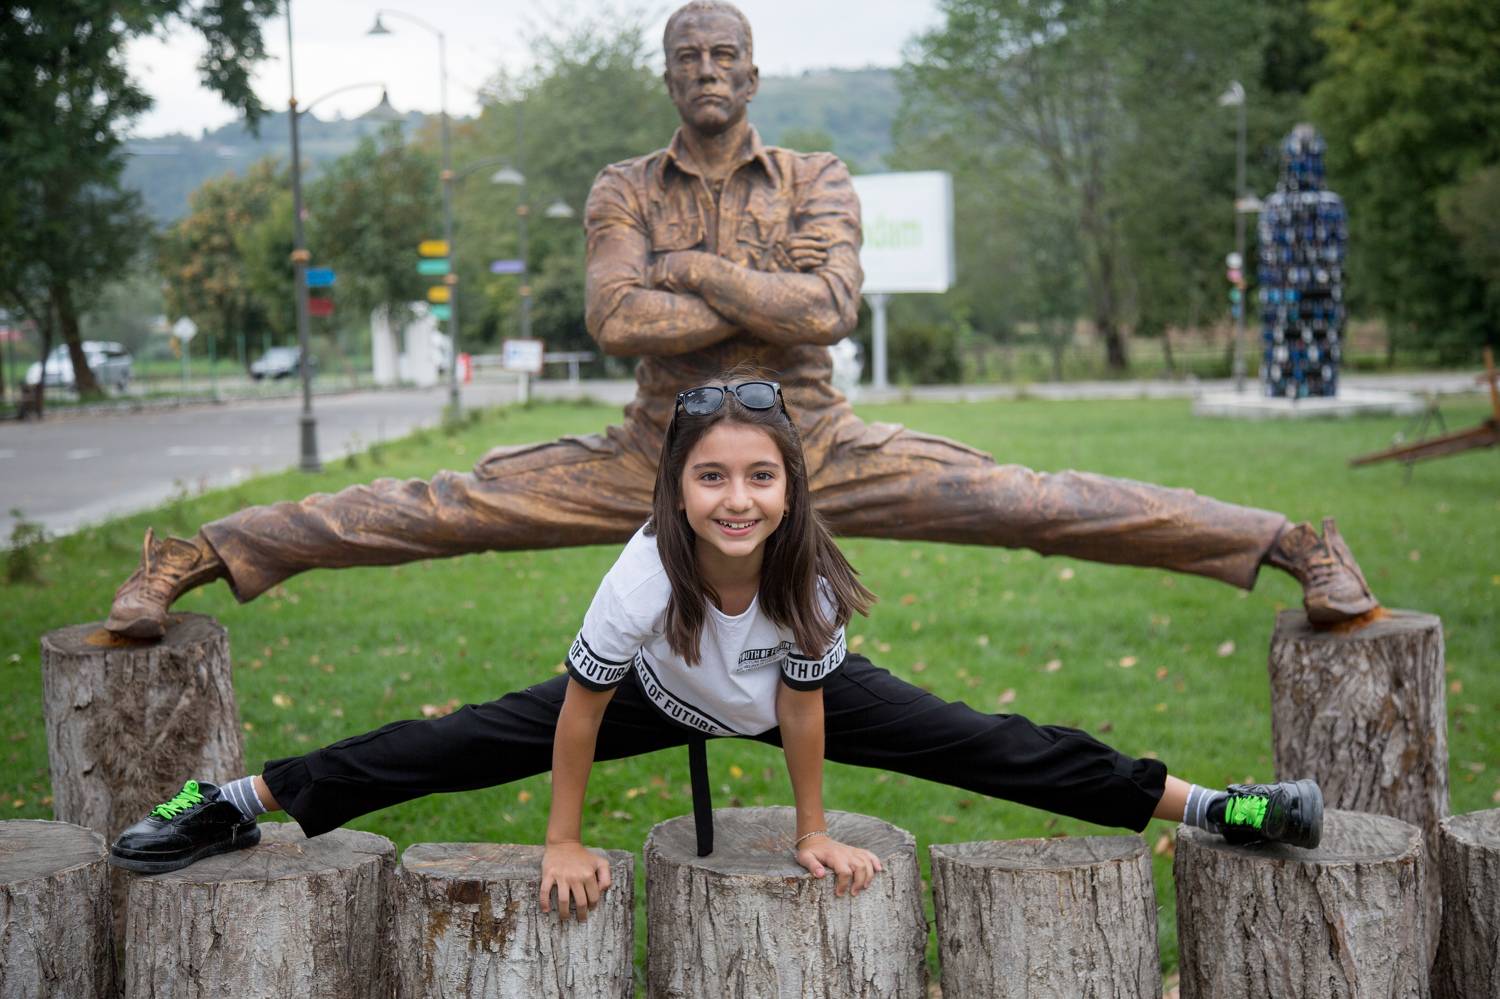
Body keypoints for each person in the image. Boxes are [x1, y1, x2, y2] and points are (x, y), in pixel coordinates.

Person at [105, 0, 1375, 645]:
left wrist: (699, 276)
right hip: (657, 449)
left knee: (1035, 500)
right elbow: (616, 316)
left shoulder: (818, 176)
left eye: (725, 58)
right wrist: (738, 293)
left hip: (814, 443)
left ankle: (1290, 543)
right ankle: (196, 553)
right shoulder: (622, 186)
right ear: (668, 76)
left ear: (752, 74)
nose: (707, 73)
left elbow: (828, 307)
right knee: (446, 506)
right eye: (688, 58)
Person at [109, 373, 1324, 920]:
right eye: (711, 479)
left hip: (794, 690)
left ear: (789, 488)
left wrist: (810, 828)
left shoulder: (807, 578)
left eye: (759, 478)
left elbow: (802, 704)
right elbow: (579, 713)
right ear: (676, 491)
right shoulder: (644, 573)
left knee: (1000, 745)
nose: (737, 500)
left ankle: (1218, 807)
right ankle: (232, 801)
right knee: (450, 744)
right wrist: (563, 839)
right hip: (658, 692)